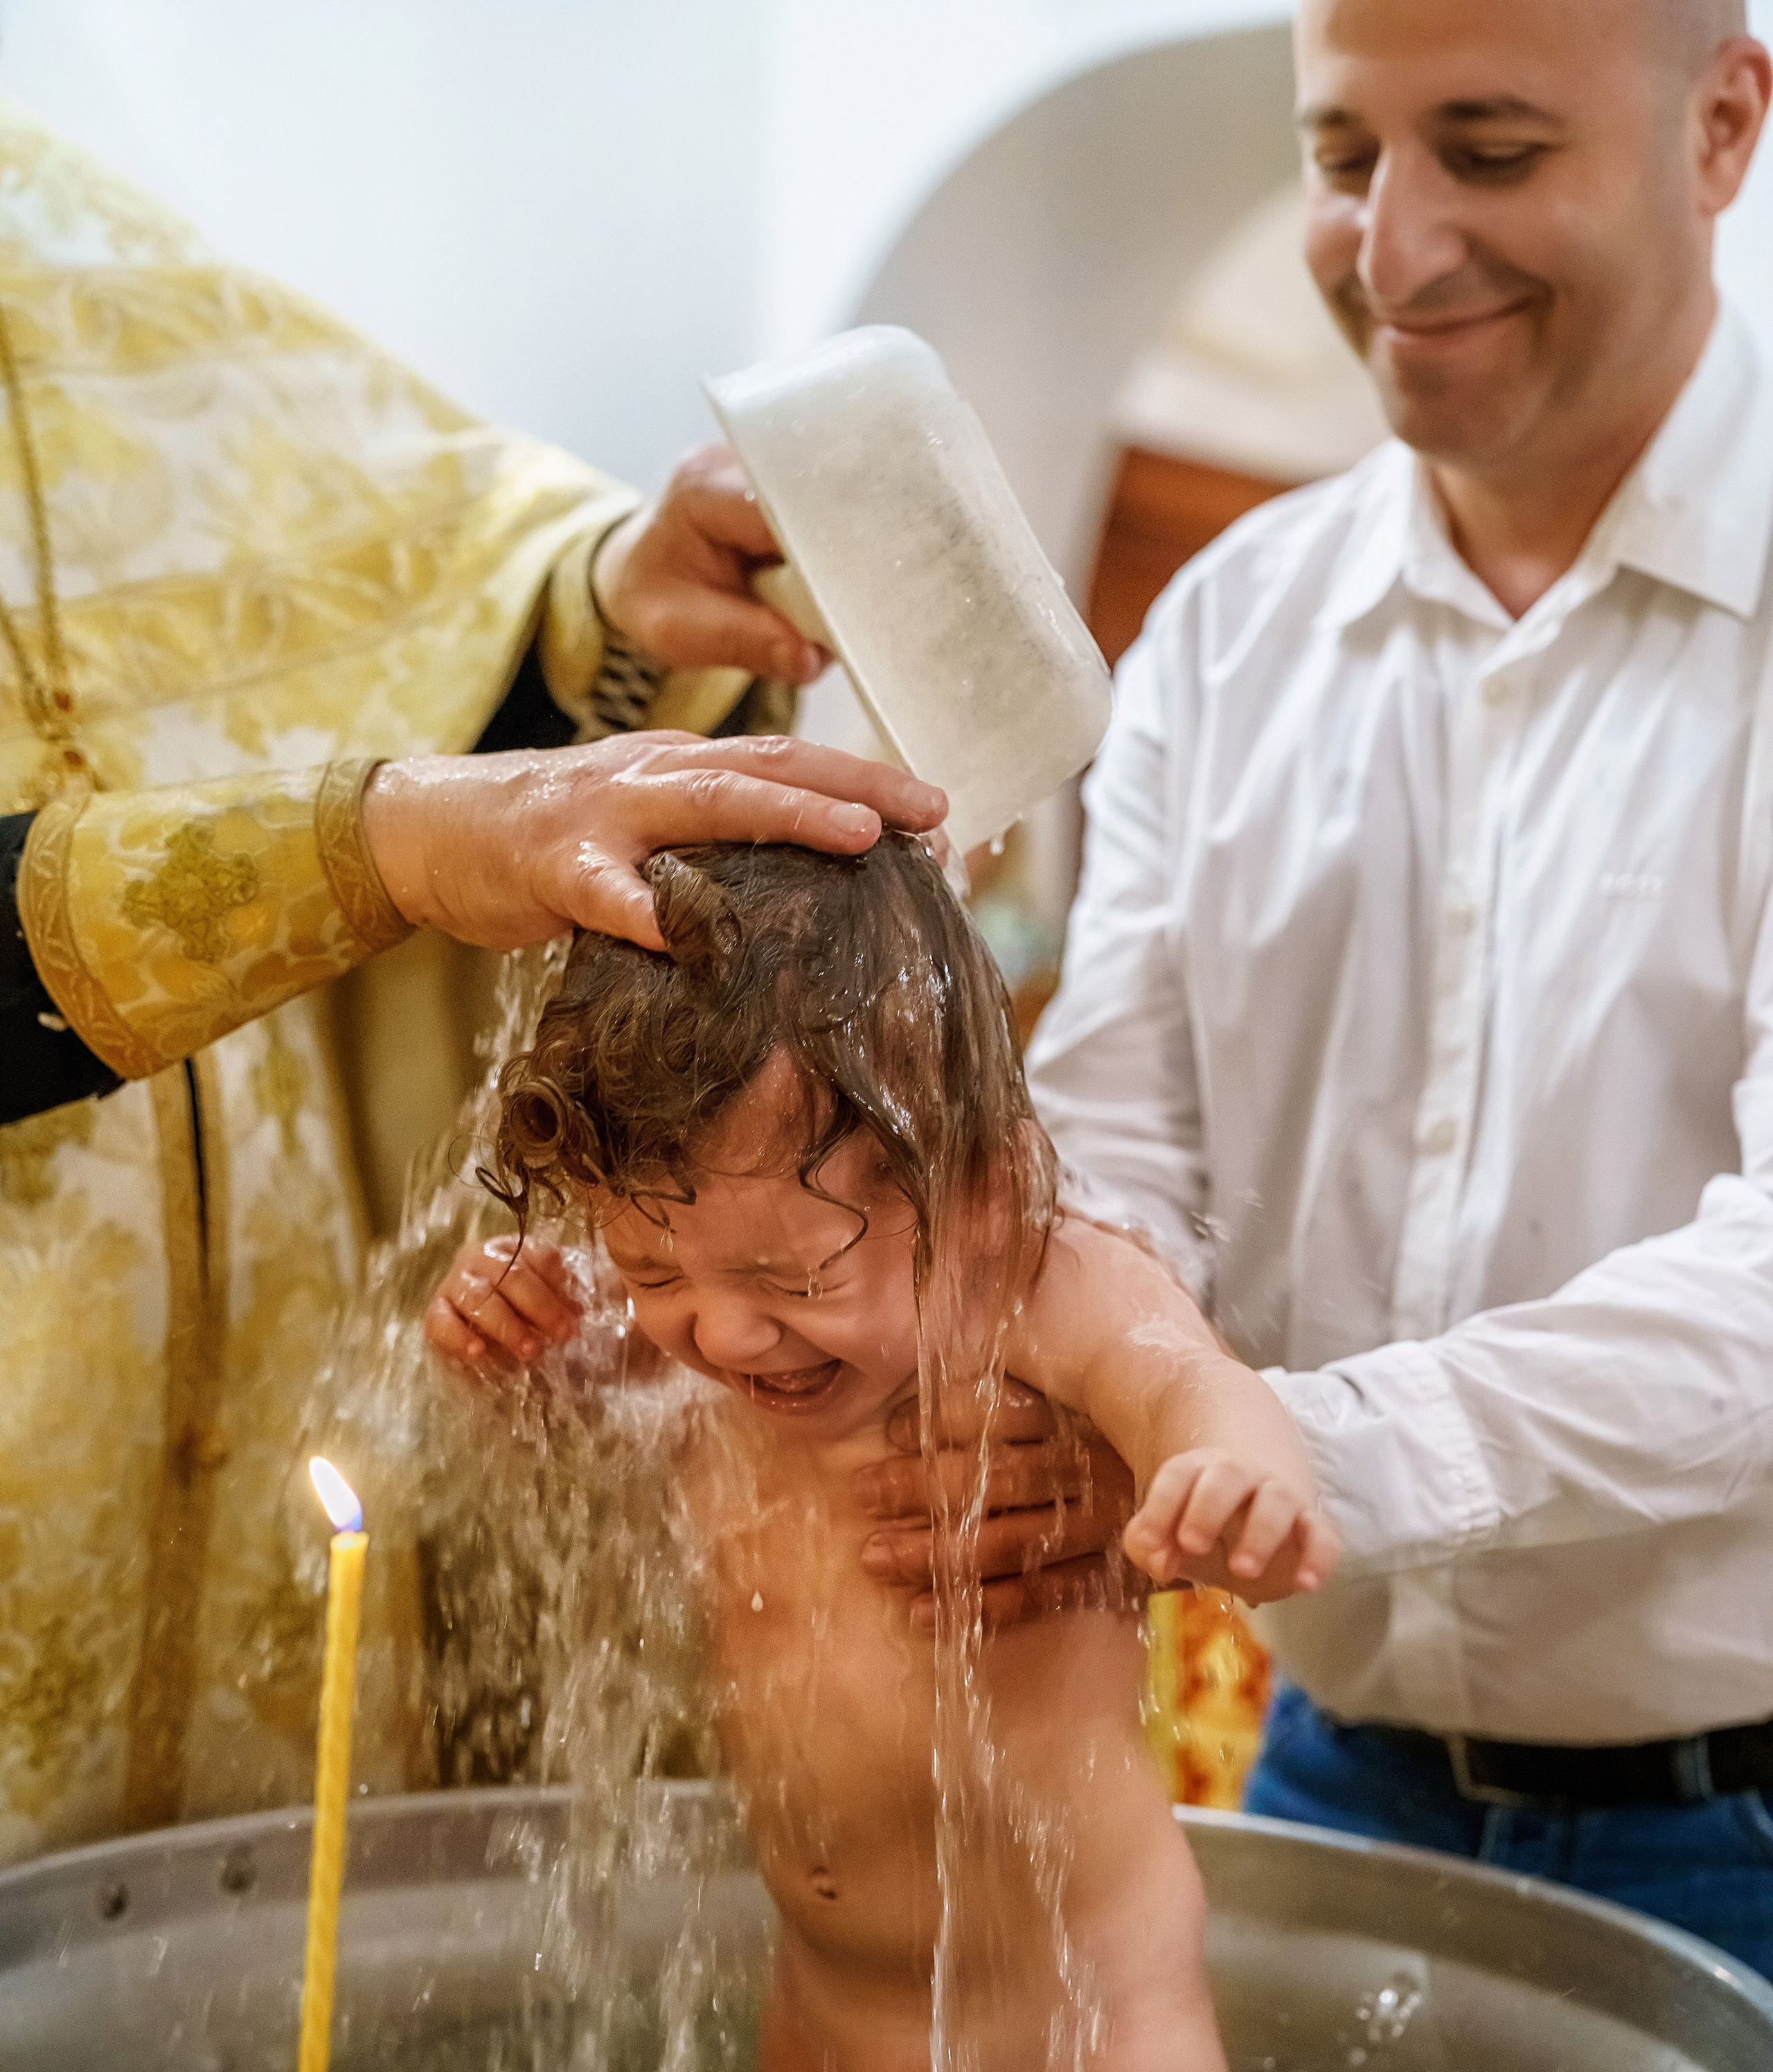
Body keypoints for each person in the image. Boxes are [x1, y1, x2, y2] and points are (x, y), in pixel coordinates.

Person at [0, 100, 945, 1865]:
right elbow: (397, 817)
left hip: (256, 1478)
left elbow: (440, 612)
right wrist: (393, 841)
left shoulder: (58, 230)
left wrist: (607, 620)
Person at [1010, 0, 1773, 1976]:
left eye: (1495, 154)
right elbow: (1121, 1128)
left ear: (1724, 124)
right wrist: (1081, 1368)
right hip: (1329, 1760)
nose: (1396, 248)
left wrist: (1316, 1445)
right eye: (1346, 159)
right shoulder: (1225, 629)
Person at [429, 834, 1337, 2068]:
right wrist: (515, 1347)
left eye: (793, 1274)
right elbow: (565, 1441)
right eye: (651, 1268)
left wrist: (1237, 1475)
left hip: (1090, 2019)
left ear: (978, 1190)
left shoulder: (1028, 1287)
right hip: (822, 2011)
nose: (725, 1329)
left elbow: (1183, 1381)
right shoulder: (692, 1332)